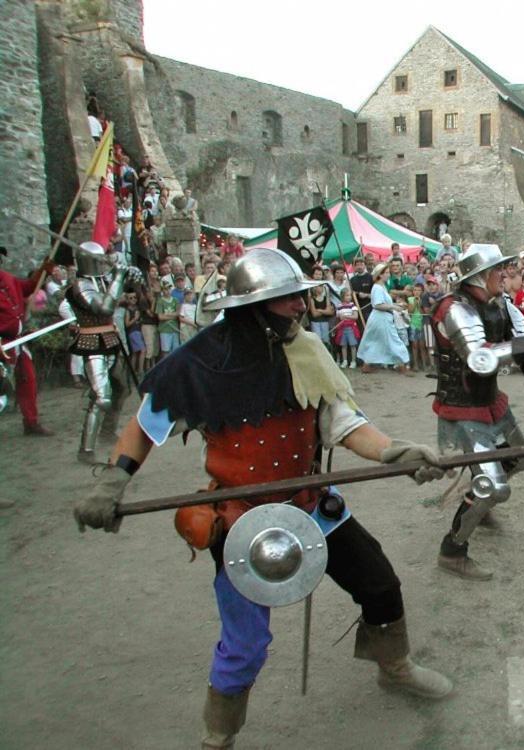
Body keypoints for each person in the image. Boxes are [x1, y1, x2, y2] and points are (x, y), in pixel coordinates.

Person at [72, 249, 454, 748]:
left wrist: (394, 452)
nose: (301, 305)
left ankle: (395, 667)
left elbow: (344, 425)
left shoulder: (308, 350)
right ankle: (218, 736)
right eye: (287, 298)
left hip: (309, 504)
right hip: (241, 519)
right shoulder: (200, 364)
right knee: (246, 645)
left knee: (379, 582)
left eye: (299, 295)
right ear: (254, 307)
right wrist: (112, 482)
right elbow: (147, 426)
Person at [430, 244, 524, 579]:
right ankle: (453, 550)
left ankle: (480, 496)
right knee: (494, 486)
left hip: (490, 399)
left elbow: (518, 352)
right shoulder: (454, 308)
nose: (505, 275)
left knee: (522, 458)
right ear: (479, 275)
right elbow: (482, 358)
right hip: (462, 407)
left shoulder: (498, 305)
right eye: (498, 270)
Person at [64, 241, 133, 461]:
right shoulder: (80, 286)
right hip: (91, 341)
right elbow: (104, 307)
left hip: (110, 338)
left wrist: (129, 277)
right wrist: (119, 277)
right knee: (102, 397)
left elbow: (116, 298)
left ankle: (107, 431)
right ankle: (85, 450)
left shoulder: (101, 280)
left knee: (122, 389)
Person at [0, 246, 55, 436]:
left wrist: (43, 271)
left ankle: (30, 422)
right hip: (2, 345)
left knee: (28, 381)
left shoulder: (8, 279)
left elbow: (30, 286)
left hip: (18, 342)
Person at [357, 263, 411, 373]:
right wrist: (394, 307)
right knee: (393, 340)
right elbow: (377, 305)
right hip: (380, 318)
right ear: (380, 275)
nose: (388, 274)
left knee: (374, 341)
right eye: (386, 273)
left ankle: (367, 364)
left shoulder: (382, 287)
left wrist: (396, 306)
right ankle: (402, 364)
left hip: (382, 318)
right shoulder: (377, 287)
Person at [333, 286, 361, 368]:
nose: (349, 297)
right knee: (343, 345)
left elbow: (355, 317)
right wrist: (341, 318)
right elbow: (338, 317)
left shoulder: (353, 306)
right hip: (342, 328)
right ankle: (345, 361)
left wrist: (346, 316)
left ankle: (353, 361)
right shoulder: (339, 306)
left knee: (352, 345)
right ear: (342, 297)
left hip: (351, 328)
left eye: (350, 295)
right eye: (347, 295)